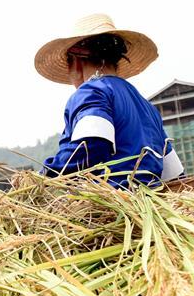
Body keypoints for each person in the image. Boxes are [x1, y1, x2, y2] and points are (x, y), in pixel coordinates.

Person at [36, 14, 183, 187]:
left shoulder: (92, 91)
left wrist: (45, 175)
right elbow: (175, 174)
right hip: (146, 204)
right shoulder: (147, 107)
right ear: (117, 60)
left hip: (114, 204)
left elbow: (90, 145)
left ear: (75, 62)